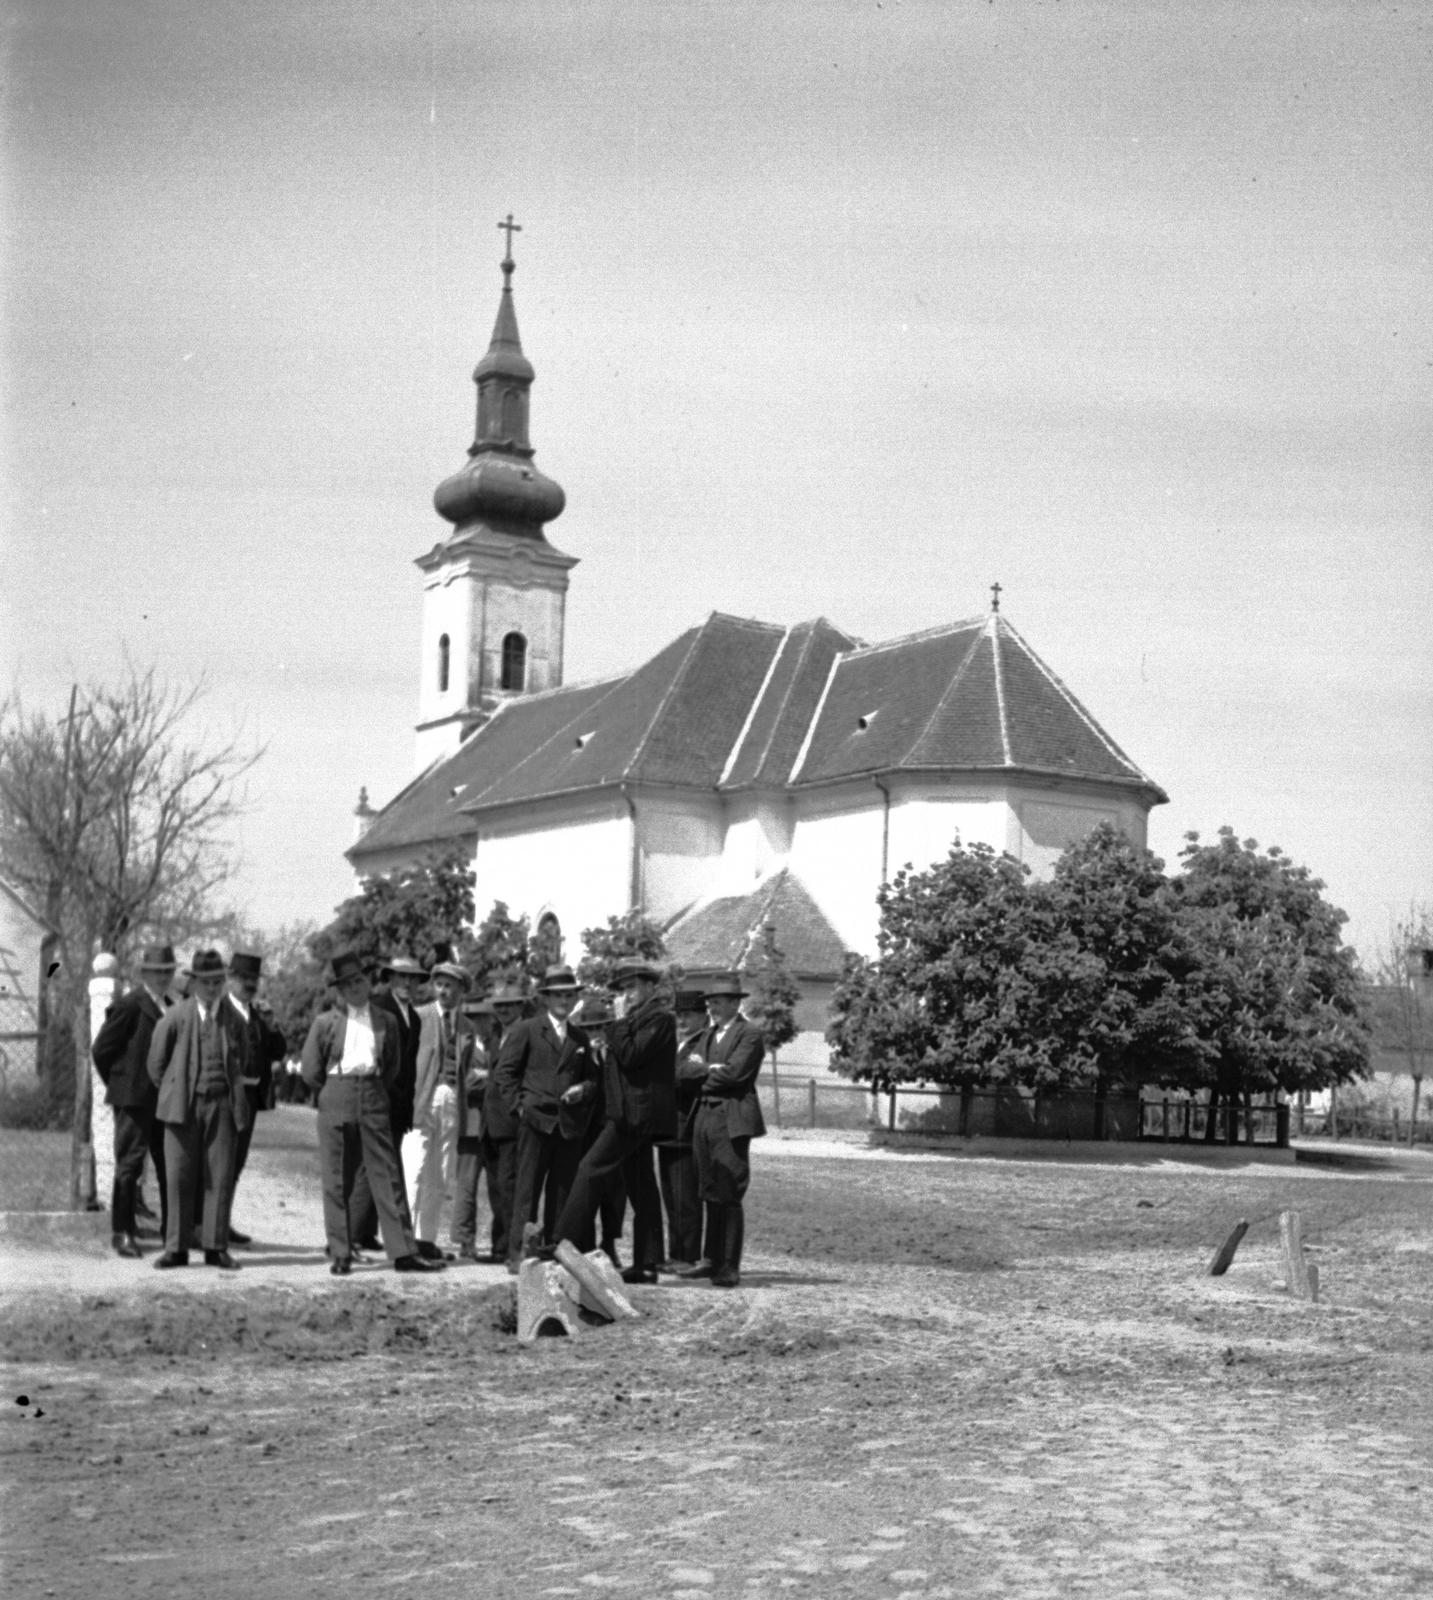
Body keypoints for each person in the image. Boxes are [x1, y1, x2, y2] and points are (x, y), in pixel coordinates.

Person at [300, 951, 442, 1275]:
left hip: (374, 1092)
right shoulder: (325, 1023)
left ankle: (403, 1252)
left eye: (359, 980)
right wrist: (334, 1091)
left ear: (369, 982)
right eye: (346, 984)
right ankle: (340, 1251)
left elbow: (391, 1066)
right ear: (338, 989)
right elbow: (311, 1070)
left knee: (387, 1174)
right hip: (336, 1093)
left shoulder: (385, 1020)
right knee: (337, 1176)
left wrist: (373, 1089)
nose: (354, 988)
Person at [551, 958, 676, 1285]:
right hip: (627, 1114)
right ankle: (647, 1264)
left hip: (637, 1117)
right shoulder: (634, 1021)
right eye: (624, 989)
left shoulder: (660, 1020)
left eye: (633, 987)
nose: (627, 994)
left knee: (589, 1169)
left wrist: (618, 1022)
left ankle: (562, 1242)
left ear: (650, 987)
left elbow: (633, 1055)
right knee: (642, 1187)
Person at [146, 949, 251, 1271]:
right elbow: (156, 1064)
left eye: (218, 981)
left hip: (221, 1106)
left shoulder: (234, 1019)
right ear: (194, 983)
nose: (212, 988)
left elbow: (243, 1058)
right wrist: (175, 1089)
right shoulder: (177, 1016)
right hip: (183, 1107)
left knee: (218, 1177)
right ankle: (176, 1249)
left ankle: (215, 1247)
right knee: (178, 1176)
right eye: (206, 982)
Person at [493, 964, 598, 1274]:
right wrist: (520, 1107)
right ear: (546, 999)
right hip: (535, 1122)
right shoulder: (527, 1029)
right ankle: (517, 1254)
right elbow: (505, 1073)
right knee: (527, 1190)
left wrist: (583, 1089)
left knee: (562, 1191)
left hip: (567, 1125)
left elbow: (593, 1080)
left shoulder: (580, 1037)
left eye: (569, 995)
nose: (564, 1001)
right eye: (558, 996)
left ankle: (554, 1249)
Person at [676, 972, 766, 1288]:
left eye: (718, 1002)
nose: (713, 1008)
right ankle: (710, 1259)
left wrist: (705, 1071)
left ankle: (729, 1265)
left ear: (733, 1003)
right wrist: (708, 1069)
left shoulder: (749, 1035)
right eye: (710, 1003)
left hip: (731, 1118)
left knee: (729, 1189)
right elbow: (682, 1070)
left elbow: (736, 1076)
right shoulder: (705, 1036)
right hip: (703, 1116)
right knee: (709, 1188)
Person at [91, 943, 176, 1258]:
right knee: (129, 1165)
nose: (163, 978)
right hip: (134, 1100)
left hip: (163, 1101)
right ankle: (122, 1231)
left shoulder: (170, 1005)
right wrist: (122, 1086)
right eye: (157, 972)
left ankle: (172, 1231)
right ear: (145, 974)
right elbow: (101, 1050)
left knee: (167, 1163)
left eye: (167, 972)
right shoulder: (131, 1005)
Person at [350, 954, 427, 1248]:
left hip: (399, 1105)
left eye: (413, 978)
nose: (408, 983)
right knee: (372, 1170)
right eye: (402, 977)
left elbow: (409, 1069)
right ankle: (349, 1235)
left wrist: (406, 1107)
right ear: (390, 978)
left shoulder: (415, 1018)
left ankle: (365, 1233)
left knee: (379, 1168)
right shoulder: (379, 1008)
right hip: (377, 1100)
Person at [405, 960, 474, 1260]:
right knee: (414, 1168)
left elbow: (467, 1068)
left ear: (461, 990)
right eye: (440, 985)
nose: (444, 991)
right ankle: (403, 1238)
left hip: (451, 1098)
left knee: (440, 1172)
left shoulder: (467, 1027)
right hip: (422, 1096)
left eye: (450, 986)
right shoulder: (418, 1017)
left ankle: (426, 1238)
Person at [222, 950, 288, 1245]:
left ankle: (222, 1221)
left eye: (253, 979)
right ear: (230, 979)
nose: (249, 985)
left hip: (250, 1096)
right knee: (219, 1161)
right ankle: (206, 1224)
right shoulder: (220, 1010)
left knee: (236, 1162)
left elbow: (277, 1051)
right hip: (224, 1095)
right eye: (243, 978)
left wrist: (271, 1022)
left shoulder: (258, 1016)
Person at [658, 986, 710, 1269]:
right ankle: (675, 1253)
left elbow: (687, 1076)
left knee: (686, 1197)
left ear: (703, 1017)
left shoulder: (703, 1044)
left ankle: (688, 1255)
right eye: (678, 1014)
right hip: (668, 1130)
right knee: (671, 1196)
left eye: (688, 1015)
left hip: (687, 1130)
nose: (682, 1020)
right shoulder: (676, 1044)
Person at [479, 983, 527, 1264]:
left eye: (509, 1004)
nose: (503, 1010)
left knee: (512, 1188)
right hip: (491, 1122)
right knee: (496, 1188)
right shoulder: (496, 1035)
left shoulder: (527, 1033)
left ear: (521, 1005)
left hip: (513, 1122)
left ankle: (515, 1250)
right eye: (498, 1005)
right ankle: (500, 1247)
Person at [452, 996, 498, 1260]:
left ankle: (499, 1244)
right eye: (477, 1018)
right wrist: (492, 1080)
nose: (482, 1023)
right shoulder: (465, 1046)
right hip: (470, 1125)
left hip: (494, 1124)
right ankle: (465, 1240)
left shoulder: (497, 1044)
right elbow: (467, 1082)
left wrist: (485, 1078)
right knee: (466, 1186)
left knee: (498, 1187)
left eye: (487, 1018)